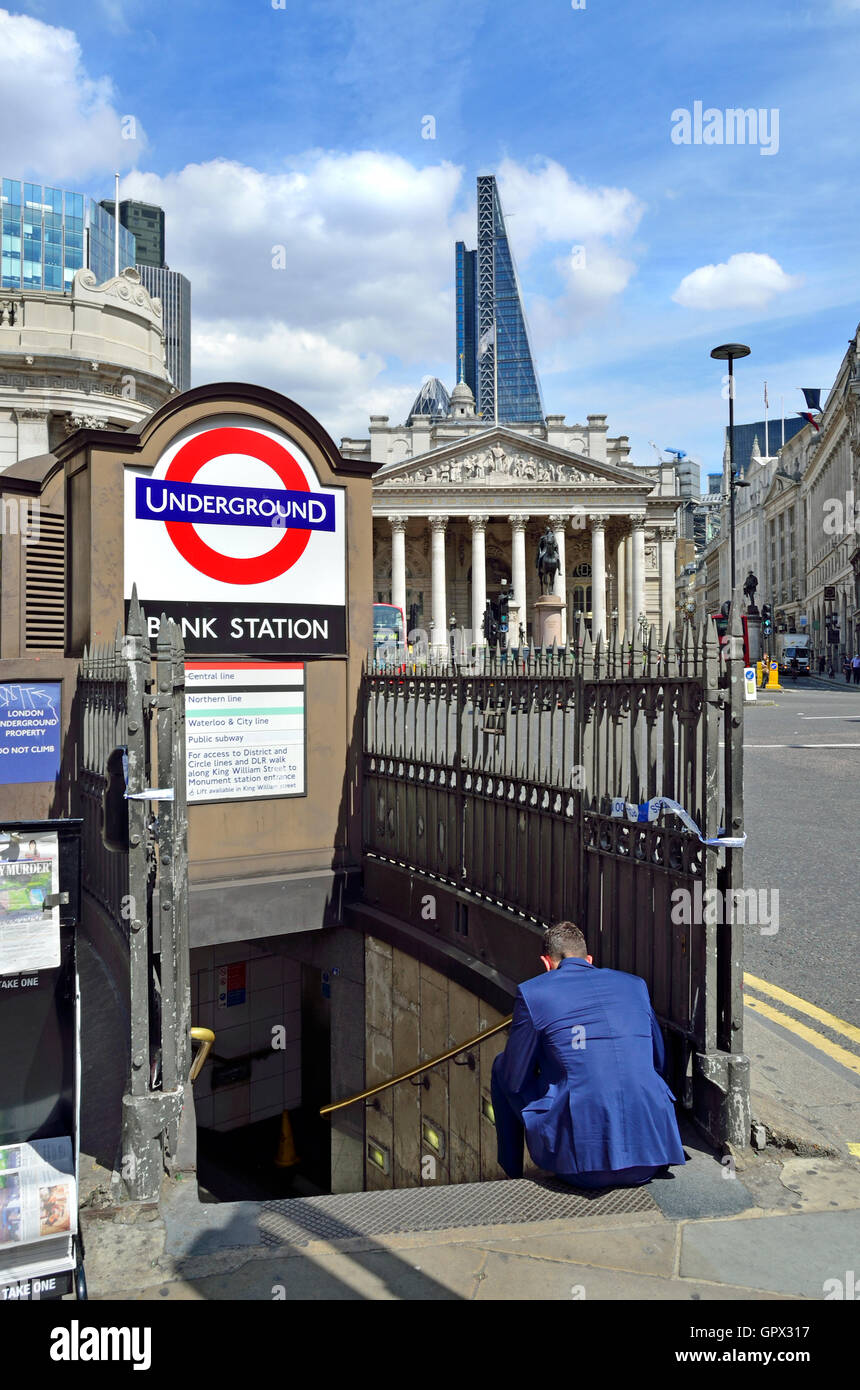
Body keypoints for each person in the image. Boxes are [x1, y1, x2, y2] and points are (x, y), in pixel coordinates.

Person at [491, 921, 686, 1189]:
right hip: (651, 1159)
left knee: (501, 1066)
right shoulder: (635, 985)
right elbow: (658, 1061)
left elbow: (514, 1078)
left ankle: (512, 1175)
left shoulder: (533, 992)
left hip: (584, 1170)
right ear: (589, 959)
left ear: (547, 964)